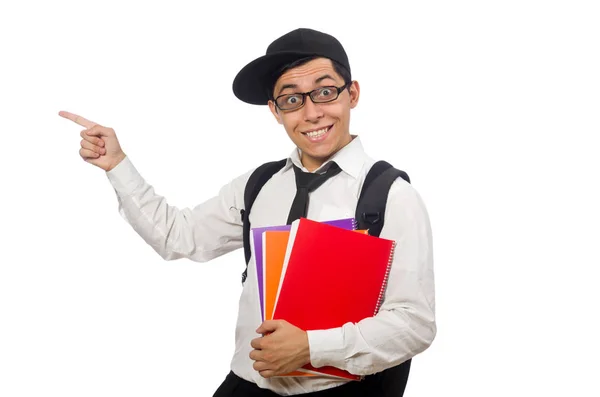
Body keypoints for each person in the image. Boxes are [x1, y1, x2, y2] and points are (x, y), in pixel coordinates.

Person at [59, 27, 436, 396]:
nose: (312, 113)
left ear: (351, 94)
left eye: (325, 92)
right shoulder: (258, 186)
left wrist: (311, 346)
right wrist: (118, 165)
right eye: (291, 100)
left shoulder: (392, 197)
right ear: (275, 110)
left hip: (337, 389)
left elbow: (414, 324)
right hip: (248, 384)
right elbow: (179, 237)